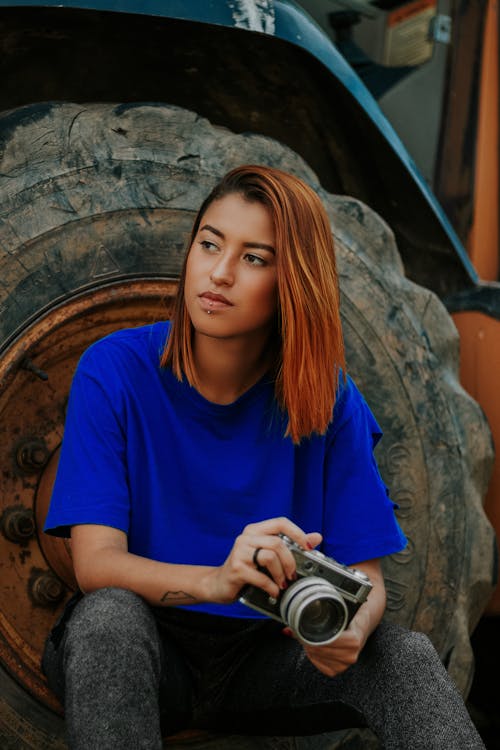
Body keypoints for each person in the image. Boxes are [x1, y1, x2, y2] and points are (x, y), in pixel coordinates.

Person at [42, 164, 484, 749]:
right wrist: (216, 581)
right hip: (146, 647)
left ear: (292, 282)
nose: (219, 273)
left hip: (265, 661)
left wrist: (352, 630)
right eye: (209, 244)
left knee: (404, 656)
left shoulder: (329, 400)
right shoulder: (114, 369)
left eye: (254, 258)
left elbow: (368, 580)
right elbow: (94, 565)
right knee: (107, 619)